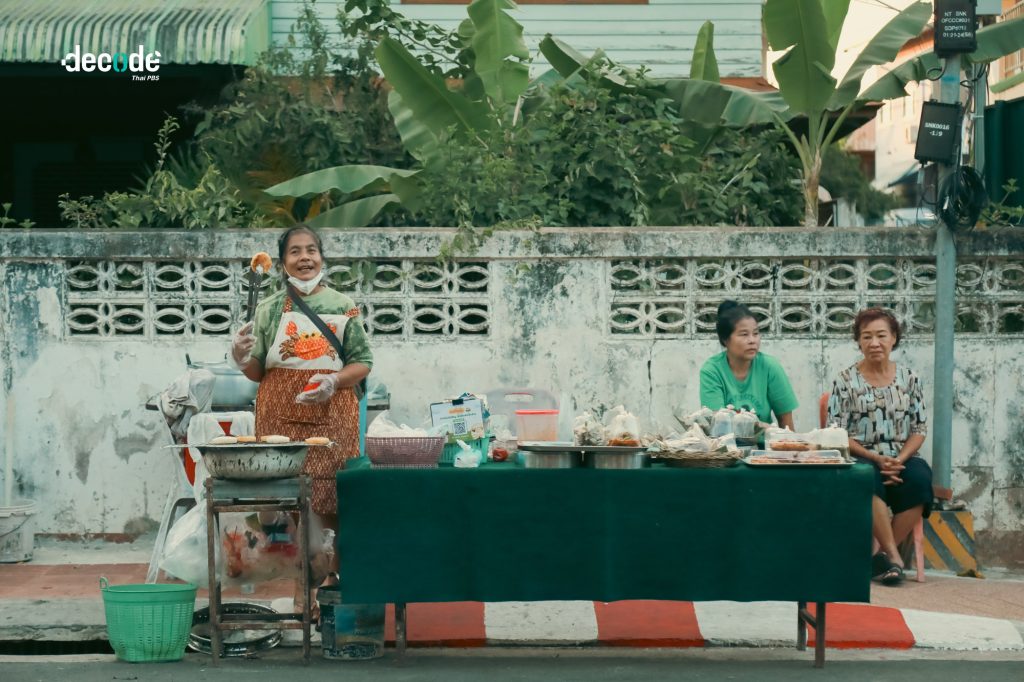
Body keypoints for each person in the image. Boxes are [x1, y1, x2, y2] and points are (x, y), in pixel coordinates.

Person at [230, 224, 372, 614]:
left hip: (333, 413)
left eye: (311, 250)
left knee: (330, 496)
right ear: (282, 263)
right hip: (279, 416)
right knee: (289, 500)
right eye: (295, 251)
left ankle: (331, 581)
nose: (305, 257)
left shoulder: (344, 306)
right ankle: (300, 586)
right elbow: (257, 371)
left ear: (322, 257)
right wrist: (240, 357)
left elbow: (363, 362)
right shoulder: (269, 308)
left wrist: (333, 381)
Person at [827, 307, 932, 586]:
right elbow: (836, 432)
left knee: (921, 481)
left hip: (901, 456)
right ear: (858, 341)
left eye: (881, 335)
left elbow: (919, 428)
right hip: (860, 454)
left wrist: (899, 460)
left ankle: (879, 558)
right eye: (867, 336)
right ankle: (894, 558)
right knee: (865, 476)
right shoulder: (844, 381)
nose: (874, 343)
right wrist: (875, 458)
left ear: (894, 338)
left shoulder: (910, 378)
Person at [699, 300, 798, 430]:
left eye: (755, 333)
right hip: (727, 442)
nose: (752, 340)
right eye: (744, 334)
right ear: (725, 339)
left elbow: (787, 425)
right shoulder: (712, 371)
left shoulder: (770, 367)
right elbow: (718, 424)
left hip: (765, 442)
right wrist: (761, 426)